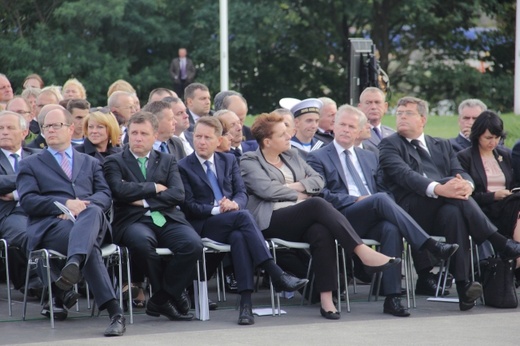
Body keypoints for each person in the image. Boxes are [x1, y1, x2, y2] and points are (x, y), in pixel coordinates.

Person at [240, 112, 401, 320]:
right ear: (268, 141)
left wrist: (291, 187)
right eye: (282, 134)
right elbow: (267, 191)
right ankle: (361, 251)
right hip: (272, 219)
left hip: (301, 215)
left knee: (321, 231)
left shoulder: (292, 155)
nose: (289, 136)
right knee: (317, 203)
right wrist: (301, 191)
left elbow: (318, 181)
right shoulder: (249, 160)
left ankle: (326, 299)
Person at [307, 105, 458, 315]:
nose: (346, 130)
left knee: (390, 228)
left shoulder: (369, 157)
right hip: (341, 218)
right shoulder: (318, 157)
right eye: (342, 124)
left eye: (352, 126)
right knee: (379, 200)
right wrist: (357, 199)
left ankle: (392, 298)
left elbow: (385, 190)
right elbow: (320, 195)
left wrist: (373, 200)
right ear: (333, 125)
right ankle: (429, 244)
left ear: (359, 131)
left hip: (373, 215)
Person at [378, 96, 520, 311]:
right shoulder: (389, 144)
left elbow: (461, 173)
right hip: (410, 212)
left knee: (454, 212)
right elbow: (405, 175)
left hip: (444, 210)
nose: (402, 117)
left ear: (423, 119)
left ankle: (464, 287)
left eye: (408, 113)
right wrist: (439, 188)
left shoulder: (441, 145)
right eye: (399, 113)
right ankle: (497, 241)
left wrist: (468, 186)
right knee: (448, 186)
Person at [178, 116, 307, 325]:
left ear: (218, 140)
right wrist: (216, 209)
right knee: (244, 217)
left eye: (207, 137)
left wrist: (235, 204)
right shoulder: (183, 166)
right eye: (198, 137)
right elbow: (188, 205)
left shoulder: (228, 160)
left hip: (233, 219)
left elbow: (241, 193)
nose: (201, 141)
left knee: (239, 236)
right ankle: (275, 272)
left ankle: (246, 306)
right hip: (205, 223)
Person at [16, 106, 125, 336]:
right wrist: (65, 204)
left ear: (71, 128)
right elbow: (28, 201)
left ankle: (73, 264)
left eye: (57, 125)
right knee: (89, 247)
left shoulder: (90, 162)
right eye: (46, 126)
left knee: (93, 212)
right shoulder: (30, 164)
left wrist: (80, 207)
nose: (51, 130)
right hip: (55, 227)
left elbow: (105, 195)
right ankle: (115, 312)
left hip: (91, 222)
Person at [103, 111, 203, 322]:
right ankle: (170, 297)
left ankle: (161, 298)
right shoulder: (114, 161)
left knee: (192, 244)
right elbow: (118, 191)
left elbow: (178, 194)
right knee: (142, 243)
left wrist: (144, 200)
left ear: (155, 135)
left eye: (143, 134)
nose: (137, 138)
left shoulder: (167, 160)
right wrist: (154, 187)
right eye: (134, 133)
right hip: (132, 220)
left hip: (167, 217)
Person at [457, 111, 520, 265]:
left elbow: (513, 184)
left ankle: (517, 260)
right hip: (484, 209)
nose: (493, 142)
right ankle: (517, 264)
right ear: (477, 135)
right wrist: (494, 195)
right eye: (488, 138)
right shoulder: (465, 157)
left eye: (497, 138)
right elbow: (467, 195)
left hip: (509, 205)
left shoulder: (504, 155)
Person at [0, 111, 42, 294]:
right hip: (10, 214)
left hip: (41, 210)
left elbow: (53, 180)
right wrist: (31, 177)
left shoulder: (39, 155)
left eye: (10, 128)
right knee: (28, 235)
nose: (4, 132)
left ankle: (64, 282)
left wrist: (17, 192)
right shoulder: (37, 164)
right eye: (0, 128)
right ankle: (45, 284)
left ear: (24, 133)